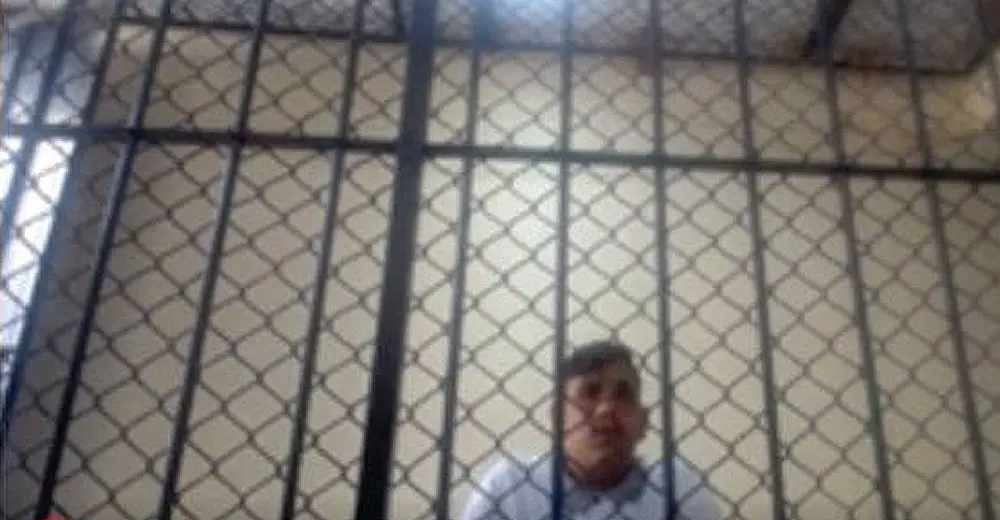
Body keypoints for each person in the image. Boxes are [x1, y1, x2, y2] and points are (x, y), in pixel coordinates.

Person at [460, 341, 719, 520]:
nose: (607, 408)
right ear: (558, 417)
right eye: (590, 392)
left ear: (643, 422)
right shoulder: (510, 485)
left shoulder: (677, 486)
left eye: (622, 395)